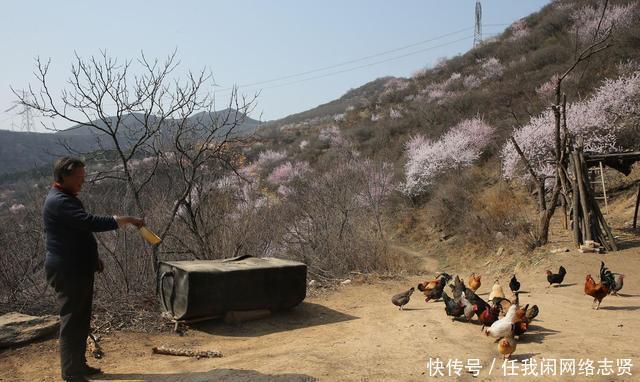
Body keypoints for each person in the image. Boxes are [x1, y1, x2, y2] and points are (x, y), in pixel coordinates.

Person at [43, 157, 144, 382]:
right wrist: (125, 220)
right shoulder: (59, 201)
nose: (82, 182)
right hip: (67, 270)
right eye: (78, 178)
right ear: (64, 176)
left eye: (83, 177)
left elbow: (79, 232)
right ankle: (70, 372)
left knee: (80, 318)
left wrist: (93, 258)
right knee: (72, 320)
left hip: (77, 266)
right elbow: (89, 223)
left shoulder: (66, 198)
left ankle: (78, 366)